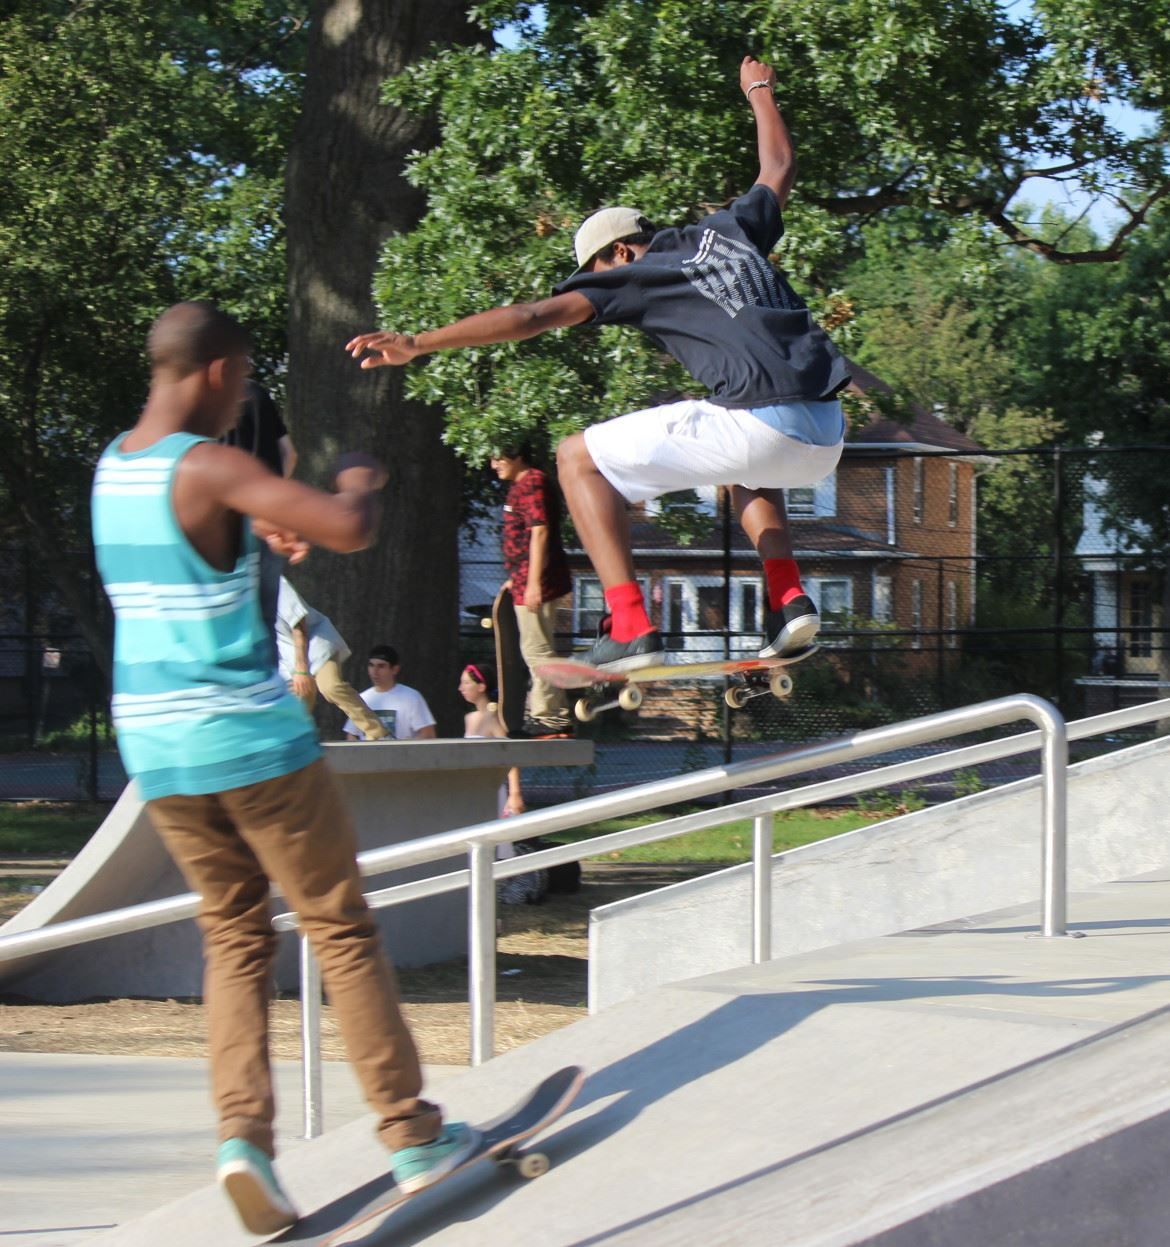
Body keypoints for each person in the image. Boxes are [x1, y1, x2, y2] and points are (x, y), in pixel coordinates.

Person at [91, 301, 475, 1236]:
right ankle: (411, 1130)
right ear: (219, 372)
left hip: (157, 747)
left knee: (233, 935)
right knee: (336, 923)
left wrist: (262, 530)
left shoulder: (111, 468)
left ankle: (242, 1144)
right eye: (243, 381)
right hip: (250, 742)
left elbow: (198, 553)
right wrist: (361, 471)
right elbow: (346, 526)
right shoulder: (212, 462)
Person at [347, 55, 849, 673]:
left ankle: (630, 622)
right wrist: (759, 91)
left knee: (575, 457)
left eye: (591, 279)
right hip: (825, 431)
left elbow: (532, 317)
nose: (592, 294)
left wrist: (420, 342)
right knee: (744, 464)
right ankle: (789, 596)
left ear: (617, 252)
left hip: (769, 423)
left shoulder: (633, 273)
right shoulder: (731, 229)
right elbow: (779, 166)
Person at [489, 445, 573, 733]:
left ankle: (550, 716)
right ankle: (551, 713)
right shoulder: (518, 486)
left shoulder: (534, 482)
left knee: (536, 649)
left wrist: (534, 582)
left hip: (537, 582)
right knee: (534, 648)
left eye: (499, 458)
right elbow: (523, 537)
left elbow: (540, 531)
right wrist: (517, 576)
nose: (493, 465)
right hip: (524, 579)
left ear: (518, 455)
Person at [274, 576, 389, 741]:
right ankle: (296, 746)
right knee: (296, 703)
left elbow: (299, 627)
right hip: (288, 660)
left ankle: (379, 733)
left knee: (331, 686)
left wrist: (302, 670)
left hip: (316, 644)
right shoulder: (241, 599)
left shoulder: (277, 584)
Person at [458, 661, 524, 816]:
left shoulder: (494, 718)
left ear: (481, 687)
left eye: (466, 683)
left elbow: (509, 755)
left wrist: (514, 793)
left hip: (491, 788)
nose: (461, 688)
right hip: (472, 789)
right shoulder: (469, 718)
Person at [343, 644, 437, 741]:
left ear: (395, 669)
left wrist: (402, 750)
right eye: (371, 665)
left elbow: (428, 735)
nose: (375, 672)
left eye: (381, 666)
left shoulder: (412, 697)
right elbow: (351, 734)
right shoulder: (361, 699)